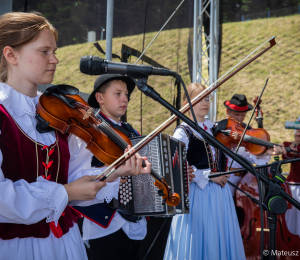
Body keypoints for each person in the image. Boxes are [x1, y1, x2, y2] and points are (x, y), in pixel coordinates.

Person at [0, 12, 150, 260]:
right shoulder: (3, 114)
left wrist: (115, 172)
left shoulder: (57, 113)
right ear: (11, 54)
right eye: (44, 52)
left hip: (64, 243)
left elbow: (71, 180)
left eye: (55, 51)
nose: (55, 59)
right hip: (18, 247)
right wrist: (66, 193)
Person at [163, 83, 246, 260]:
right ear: (187, 102)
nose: (205, 102)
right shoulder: (183, 131)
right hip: (199, 196)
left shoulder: (217, 129)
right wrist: (209, 176)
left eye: (207, 98)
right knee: (202, 241)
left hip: (221, 197)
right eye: (200, 98)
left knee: (219, 239)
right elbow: (176, 166)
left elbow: (231, 155)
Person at [223, 94, 285, 196]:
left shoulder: (249, 130)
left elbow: (251, 153)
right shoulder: (219, 129)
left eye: (242, 115)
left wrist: (267, 151)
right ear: (227, 112)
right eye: (236, 114)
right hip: (226, 178)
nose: (240, 118)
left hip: (244, 179)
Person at [282, 116, 300, 237]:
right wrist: (297, 140)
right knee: (291, 220)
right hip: (294, 188)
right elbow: (287, 157)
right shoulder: (291, 145)